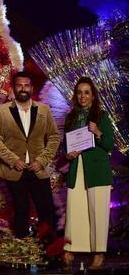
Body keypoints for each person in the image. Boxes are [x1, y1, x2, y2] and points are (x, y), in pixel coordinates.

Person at [0, 71, 60, 238]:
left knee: (47, 210)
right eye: (19, 85)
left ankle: (48, 249)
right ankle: (23, 251)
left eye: (26, 85)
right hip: (14, 171)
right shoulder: (2, 111)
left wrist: (42, 161)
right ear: (14, 88)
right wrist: (13, 160)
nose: (23, 88)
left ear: (32, 88)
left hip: (38, 169)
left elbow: (54, 137)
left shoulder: (44, 110)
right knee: (21, 210)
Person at [62, 77, 114, 270]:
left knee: (98, 212)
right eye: (79, 92)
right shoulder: (70, 117)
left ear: (93, 96)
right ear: (75, 95)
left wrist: (98, 132)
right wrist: (68, 153)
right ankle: (70, 248)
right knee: (75, 211)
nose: (83, 96)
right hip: (77, 168)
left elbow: (109, 144)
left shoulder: (101, 115)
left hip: (97, 170)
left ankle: (99, 254)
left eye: (86, 92)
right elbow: (65, 146)